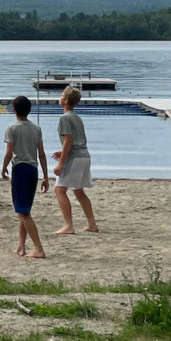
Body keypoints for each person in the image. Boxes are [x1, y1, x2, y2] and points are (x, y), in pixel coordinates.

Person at [1, 95, 49, 258]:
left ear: (14, 110)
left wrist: (3, 167)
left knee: (23, 212)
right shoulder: (36, 128)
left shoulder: (12, 128)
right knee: (23, 210)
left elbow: (9, 152)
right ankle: (21, 246)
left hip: (20, 169)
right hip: (33, 170)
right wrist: (46, 176)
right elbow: (41, 154)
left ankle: (39, 248)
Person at [51, 86, 98, 235]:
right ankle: (92, 223)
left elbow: (68, 141)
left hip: (75, 157)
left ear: (64, 101)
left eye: (61, 96)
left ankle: (68, 225)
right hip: (84, 155)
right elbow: (77, 140)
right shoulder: (76, 117)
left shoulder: (64, 118)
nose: (59, 98)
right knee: (78, 191)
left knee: (59, 190)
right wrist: (62, 152)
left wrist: (61, 163)